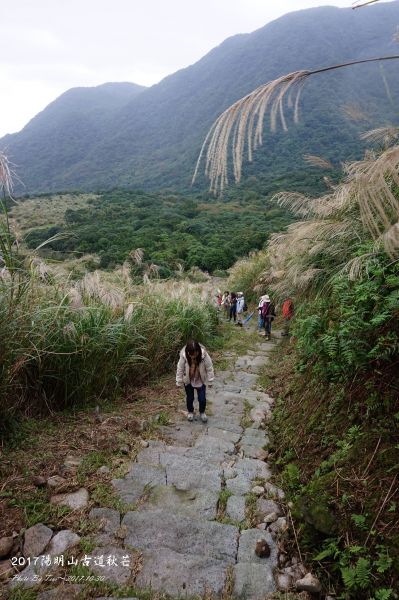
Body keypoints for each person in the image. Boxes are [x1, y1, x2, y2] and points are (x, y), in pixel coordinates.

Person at [176, 339, 215, 423]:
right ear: (187, 353)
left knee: (202, 399)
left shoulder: (204, 355)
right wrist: (179, 381)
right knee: (190, 398)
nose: (193, 356)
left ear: (198, 351)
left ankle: (202, 412)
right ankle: (190, 411)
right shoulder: (184, 356)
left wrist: (210, 380)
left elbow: (209, 368)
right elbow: (180, 368)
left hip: (200, 380)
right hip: (188, 380)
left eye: (195, 354)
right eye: (191, 354)